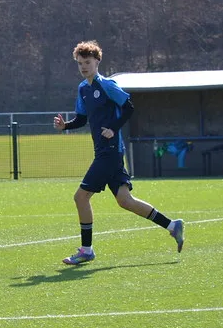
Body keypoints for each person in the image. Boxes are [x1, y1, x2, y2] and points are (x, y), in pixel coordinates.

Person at [54, 41, 185, 265]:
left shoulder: (107, 85)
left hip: (110, 152)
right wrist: (65, 126)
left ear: (97, 61)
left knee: (80, 197)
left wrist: (113, 128)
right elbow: (82, 119)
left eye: (87, 62)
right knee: (125, 200)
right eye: (80, 63)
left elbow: (129, 107)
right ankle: (173, 226)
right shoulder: (83, 89)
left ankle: (86, 250)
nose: (83, 67)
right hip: (104, 152)